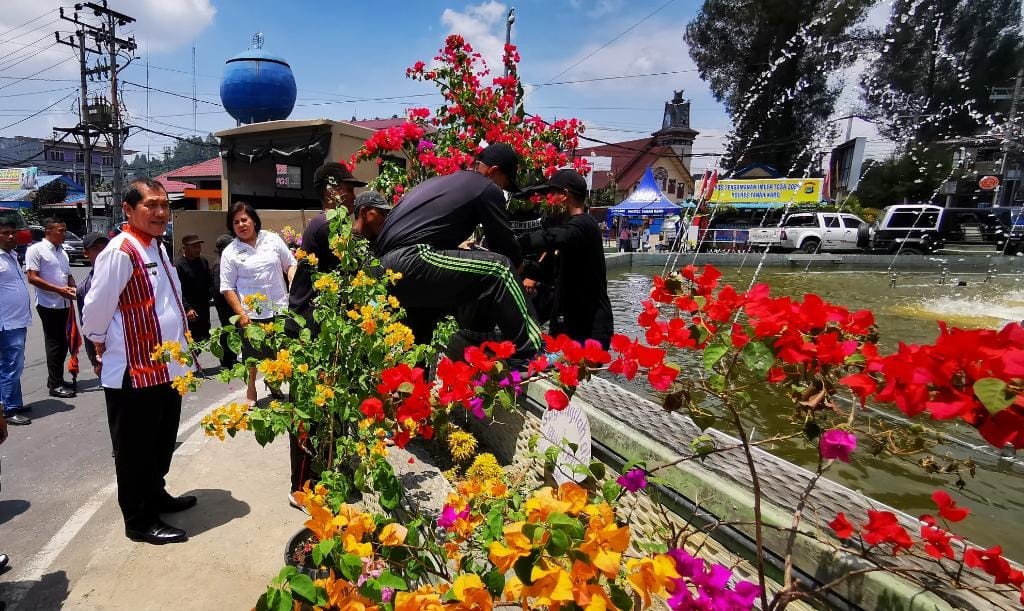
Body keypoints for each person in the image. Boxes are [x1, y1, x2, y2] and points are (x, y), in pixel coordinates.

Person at [82, 177, 197, 545]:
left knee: (162, 440)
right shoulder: (121, 251)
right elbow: (96, 309)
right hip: (134, 370)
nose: (161, 212)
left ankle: (156, 494)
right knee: (135, 449)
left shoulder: (158, 248)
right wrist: (99, 342)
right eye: (151, 205)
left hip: (168, 367)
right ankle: (139, 519)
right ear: (128, 210)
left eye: (164, 205)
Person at [368, 143, 542, 359]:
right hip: (410, 258)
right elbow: (505, 249)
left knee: (418, 340)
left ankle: (409, 388)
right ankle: (533, 354)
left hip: (385, 270)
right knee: (500, 268)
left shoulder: (440, 182)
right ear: (494, 171)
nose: (503, 193)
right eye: (505, 185)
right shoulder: (486, 186)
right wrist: (521, 269)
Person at [518, 169, 613, 348]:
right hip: (565, 325)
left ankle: (501, 377)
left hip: (589, 331)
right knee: (529, 369)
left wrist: (515, 242)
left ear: (564, 195)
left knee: (538, 369)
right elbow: (548, 271)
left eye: (551, 193)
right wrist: (523, 266)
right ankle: (495, 378)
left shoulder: (584, 225)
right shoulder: (567, 230)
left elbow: (554, 236)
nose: (547, 200)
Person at [220, 202, 297, 406]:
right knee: (252, 356)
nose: (241, 225)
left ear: (253, 220)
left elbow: (290, 264)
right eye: (236, 222)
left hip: (279, 306)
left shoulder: (271, 239)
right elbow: (227, 287)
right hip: (251, 312)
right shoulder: (231, 252)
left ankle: (274, 383)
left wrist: (292, 280)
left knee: (280, 351)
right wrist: (241, 313)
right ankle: (251, 389)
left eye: (244, 219)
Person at [25, 217, 76, 398]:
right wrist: (58, 290)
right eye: (60, 231)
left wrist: (72, 287)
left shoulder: (61, 251)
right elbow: (32, 277)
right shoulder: (36, 250)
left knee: (63, 343)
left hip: (63, 302)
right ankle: (55, 385)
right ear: (49, 232)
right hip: (48, 304)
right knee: (55, 344)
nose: (64, 234)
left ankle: (56, 379)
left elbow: (68, 275)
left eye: (64, 230)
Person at [0, 219, 32, 425]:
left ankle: (14, 402)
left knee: (14, 364)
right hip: (6, 322)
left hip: (18, 320)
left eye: (13, 232)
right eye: (5, 233)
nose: (11, 236)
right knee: (11, 364)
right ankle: (9, 409)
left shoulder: (12, 255)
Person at [76, 232, 110, 378]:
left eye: (105, 248)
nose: (102, 253)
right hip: (107, 352)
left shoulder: (126, 275)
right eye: (96, 248)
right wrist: (95, 361)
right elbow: (87, 327)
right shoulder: (85, 288)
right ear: (86, 253)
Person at [174, 234, 214, 342]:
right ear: (185, 248)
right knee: (191, 340)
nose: (198, 249)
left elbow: (209, 280)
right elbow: (177, 290)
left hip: (204, 307)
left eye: (199, 246)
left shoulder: (203, 261)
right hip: (190, 310)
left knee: (204, 337)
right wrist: (187, 308)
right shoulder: (178, 265)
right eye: (194, 247)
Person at [211, 235, 237, 368]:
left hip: (227, 303)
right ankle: (227, 358)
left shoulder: (224, 261)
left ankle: (230, 357)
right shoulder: (219, 264)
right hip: (224, 304)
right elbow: (220, 288)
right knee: (228, 329)